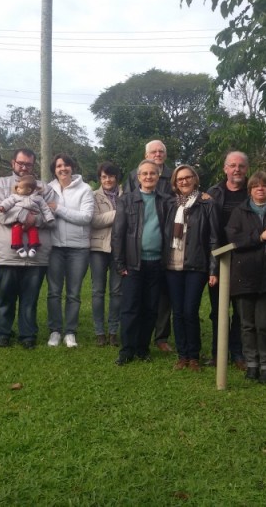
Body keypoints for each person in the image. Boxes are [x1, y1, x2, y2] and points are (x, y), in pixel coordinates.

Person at [0, 148, 56, 349]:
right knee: (6, 296)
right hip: (8, 252)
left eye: (28, 164)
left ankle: (28, 335)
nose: (24, 167)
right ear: (13, 163)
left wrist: (35, 219)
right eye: (20, 163)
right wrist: (23, 216)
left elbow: (52, 214)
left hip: (37, 253)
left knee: (30, 298)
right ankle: (3, 333)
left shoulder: (44, 188)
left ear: (33, 165)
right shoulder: (0, 184)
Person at [225, 172, 266, 383]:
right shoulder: (239, 211)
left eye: (265, 186)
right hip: (244, 276)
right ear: (250, 190)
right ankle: (252, 364)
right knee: (247, 325)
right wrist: (260, 237)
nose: (260, 189)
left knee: (264, 324)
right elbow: (233, 238)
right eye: (256, 186)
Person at [112, 159, 169, 366]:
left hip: (157, 263)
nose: (148, 177)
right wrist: (119, 264)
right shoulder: (126, 200)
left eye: (152, 174)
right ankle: (127, 349)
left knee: (151, 308)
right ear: (138, 177)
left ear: (158, 177)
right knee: (130, 307)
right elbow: (118, 234)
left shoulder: (165, 201)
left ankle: (143, 348)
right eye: (144, 174)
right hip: (134, 264)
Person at [163, 165, 219, 372]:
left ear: (195, 179)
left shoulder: (206, 204)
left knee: (190, 311)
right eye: (180, 179)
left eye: (187, 178)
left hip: (196, 266)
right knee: (177, 312)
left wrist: (213, 269)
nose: (184, 182)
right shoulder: (170, 204)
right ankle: (182, 354)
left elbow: (214, 238)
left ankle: (194, 355)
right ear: (175, 183)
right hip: (172, 265)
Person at [124, 139, 174, 352]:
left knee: (159, 300)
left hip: (163, 249)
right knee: (133, 303)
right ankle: (130, 344)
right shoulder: (133, 177)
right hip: (136, 254)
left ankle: (160, 338)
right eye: (153, 151)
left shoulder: (173, 175)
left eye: (161, 151)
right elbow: (124, 216)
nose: (157, 154)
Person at [204, 150, 250, 370]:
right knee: (217, 310)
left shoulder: (254, 190)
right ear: (225, 169)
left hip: (245, 258)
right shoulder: (213, 193)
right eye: (232, 165)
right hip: (218, 258)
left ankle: (238, 352)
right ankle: (216, 352)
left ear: (246, 169)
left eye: (240, 166)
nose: (237, 169)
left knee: (240, 310)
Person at [44, 154, 94, 348]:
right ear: (54, 169)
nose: (62, 168)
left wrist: (58, 209)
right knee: (54, 292)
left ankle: (70, 332)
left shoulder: (85, 189)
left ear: (72, 167)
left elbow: (86, 217)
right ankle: (55, 331)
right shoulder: (48, 189)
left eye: (66, 165)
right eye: (58, 166)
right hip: (55, 247)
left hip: (78, 249)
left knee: (73, 293)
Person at [89, 162, 123, 347]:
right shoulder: (93, 196)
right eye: (103, 176)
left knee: (117, 292)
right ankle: (99, 332)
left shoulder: (126, 195)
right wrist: (119, 213)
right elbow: (94, 221)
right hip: (98, 249)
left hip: (119, 249)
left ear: (116, 177)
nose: (107, 180)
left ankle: (113, 331)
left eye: (110, 176)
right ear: (99, 179)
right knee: (97, 291)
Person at [0, 174, 54, 258]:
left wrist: (49, 218)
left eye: (20, 188)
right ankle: (18, 246)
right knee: (16, 229)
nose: (17, 189)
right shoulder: (16, 196)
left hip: (34, 220)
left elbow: (45, 208)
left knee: (33, 231)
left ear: (29, 190)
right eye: (18, 187)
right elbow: (8, 201)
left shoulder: (38, 198)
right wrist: (3, 207)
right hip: (18, 220)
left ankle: (33, 246)